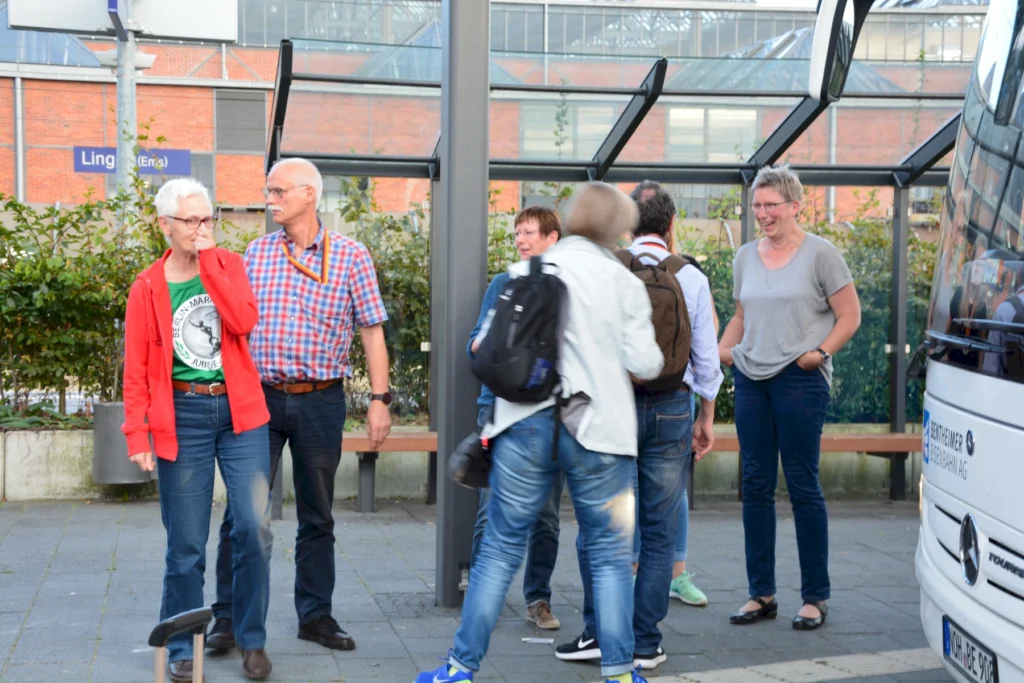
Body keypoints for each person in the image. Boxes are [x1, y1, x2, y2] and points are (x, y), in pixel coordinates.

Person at [414, 182, 663, 683]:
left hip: (523, 425)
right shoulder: (622, 281)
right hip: (602, 436)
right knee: (611, 556)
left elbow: (483, 344)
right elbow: (647, 362)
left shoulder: (525, 271)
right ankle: (618, 672)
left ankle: (460, 668)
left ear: (569, 221)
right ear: (619, 228)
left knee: (500, 549)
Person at [209, 157, 392, 652]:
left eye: (278, 191)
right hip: (258, 401)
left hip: (321, 400)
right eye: (268, 192)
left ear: (309, 194)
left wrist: (379, 399)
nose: (269, 200)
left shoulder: (352, 255)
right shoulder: (256, 252)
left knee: (318, 515)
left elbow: (372, 333)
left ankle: (315, 616)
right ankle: (227, 618)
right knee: (243, 516)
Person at [556, 180, 721, 671]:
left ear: (627, 226)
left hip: (612, 408)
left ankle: (598, 633)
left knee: (601, 525)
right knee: (658, 527)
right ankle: (645, 641)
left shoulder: (607, 268)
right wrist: (706, 416)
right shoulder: (690, 276)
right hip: (672, 406)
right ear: (672, 227)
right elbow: (706, 358)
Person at [121, 178, 273, 682]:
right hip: (181, 417)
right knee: (186, 544)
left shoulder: (228, 264)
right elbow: (137, 369)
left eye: (208, 218)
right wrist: (136, 433)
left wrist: (209, 263)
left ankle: (251, 640)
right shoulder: (146, 286)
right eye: (191, 220)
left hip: (240, 414)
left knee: (254, 528)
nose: (202, 228)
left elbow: (243, 321)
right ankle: (184, 647)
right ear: (165, 225)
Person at [718, 165, 861, 631]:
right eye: (757, 206)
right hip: (752, 381)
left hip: (800, 381)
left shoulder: (822, 254)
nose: (762, 214)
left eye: (771, 206)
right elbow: (742, 313)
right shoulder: (744, 256)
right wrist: (723, 348)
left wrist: (820, 353)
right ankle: (761, 593)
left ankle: (815, 597)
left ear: (795, 206)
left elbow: (850, 315)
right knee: (755, 486)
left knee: (802, 483)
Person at [468, 206, 563, 630]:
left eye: (529, 233)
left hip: (549, 413)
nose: (521, 240)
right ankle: (479, 596)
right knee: (491, 508)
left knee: (545, 514)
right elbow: (475, 343)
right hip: (498, 407)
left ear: (552, 237)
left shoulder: (563, 287)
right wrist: (500, 348)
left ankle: (538, 599)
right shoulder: (502, 284)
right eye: (517, 233)